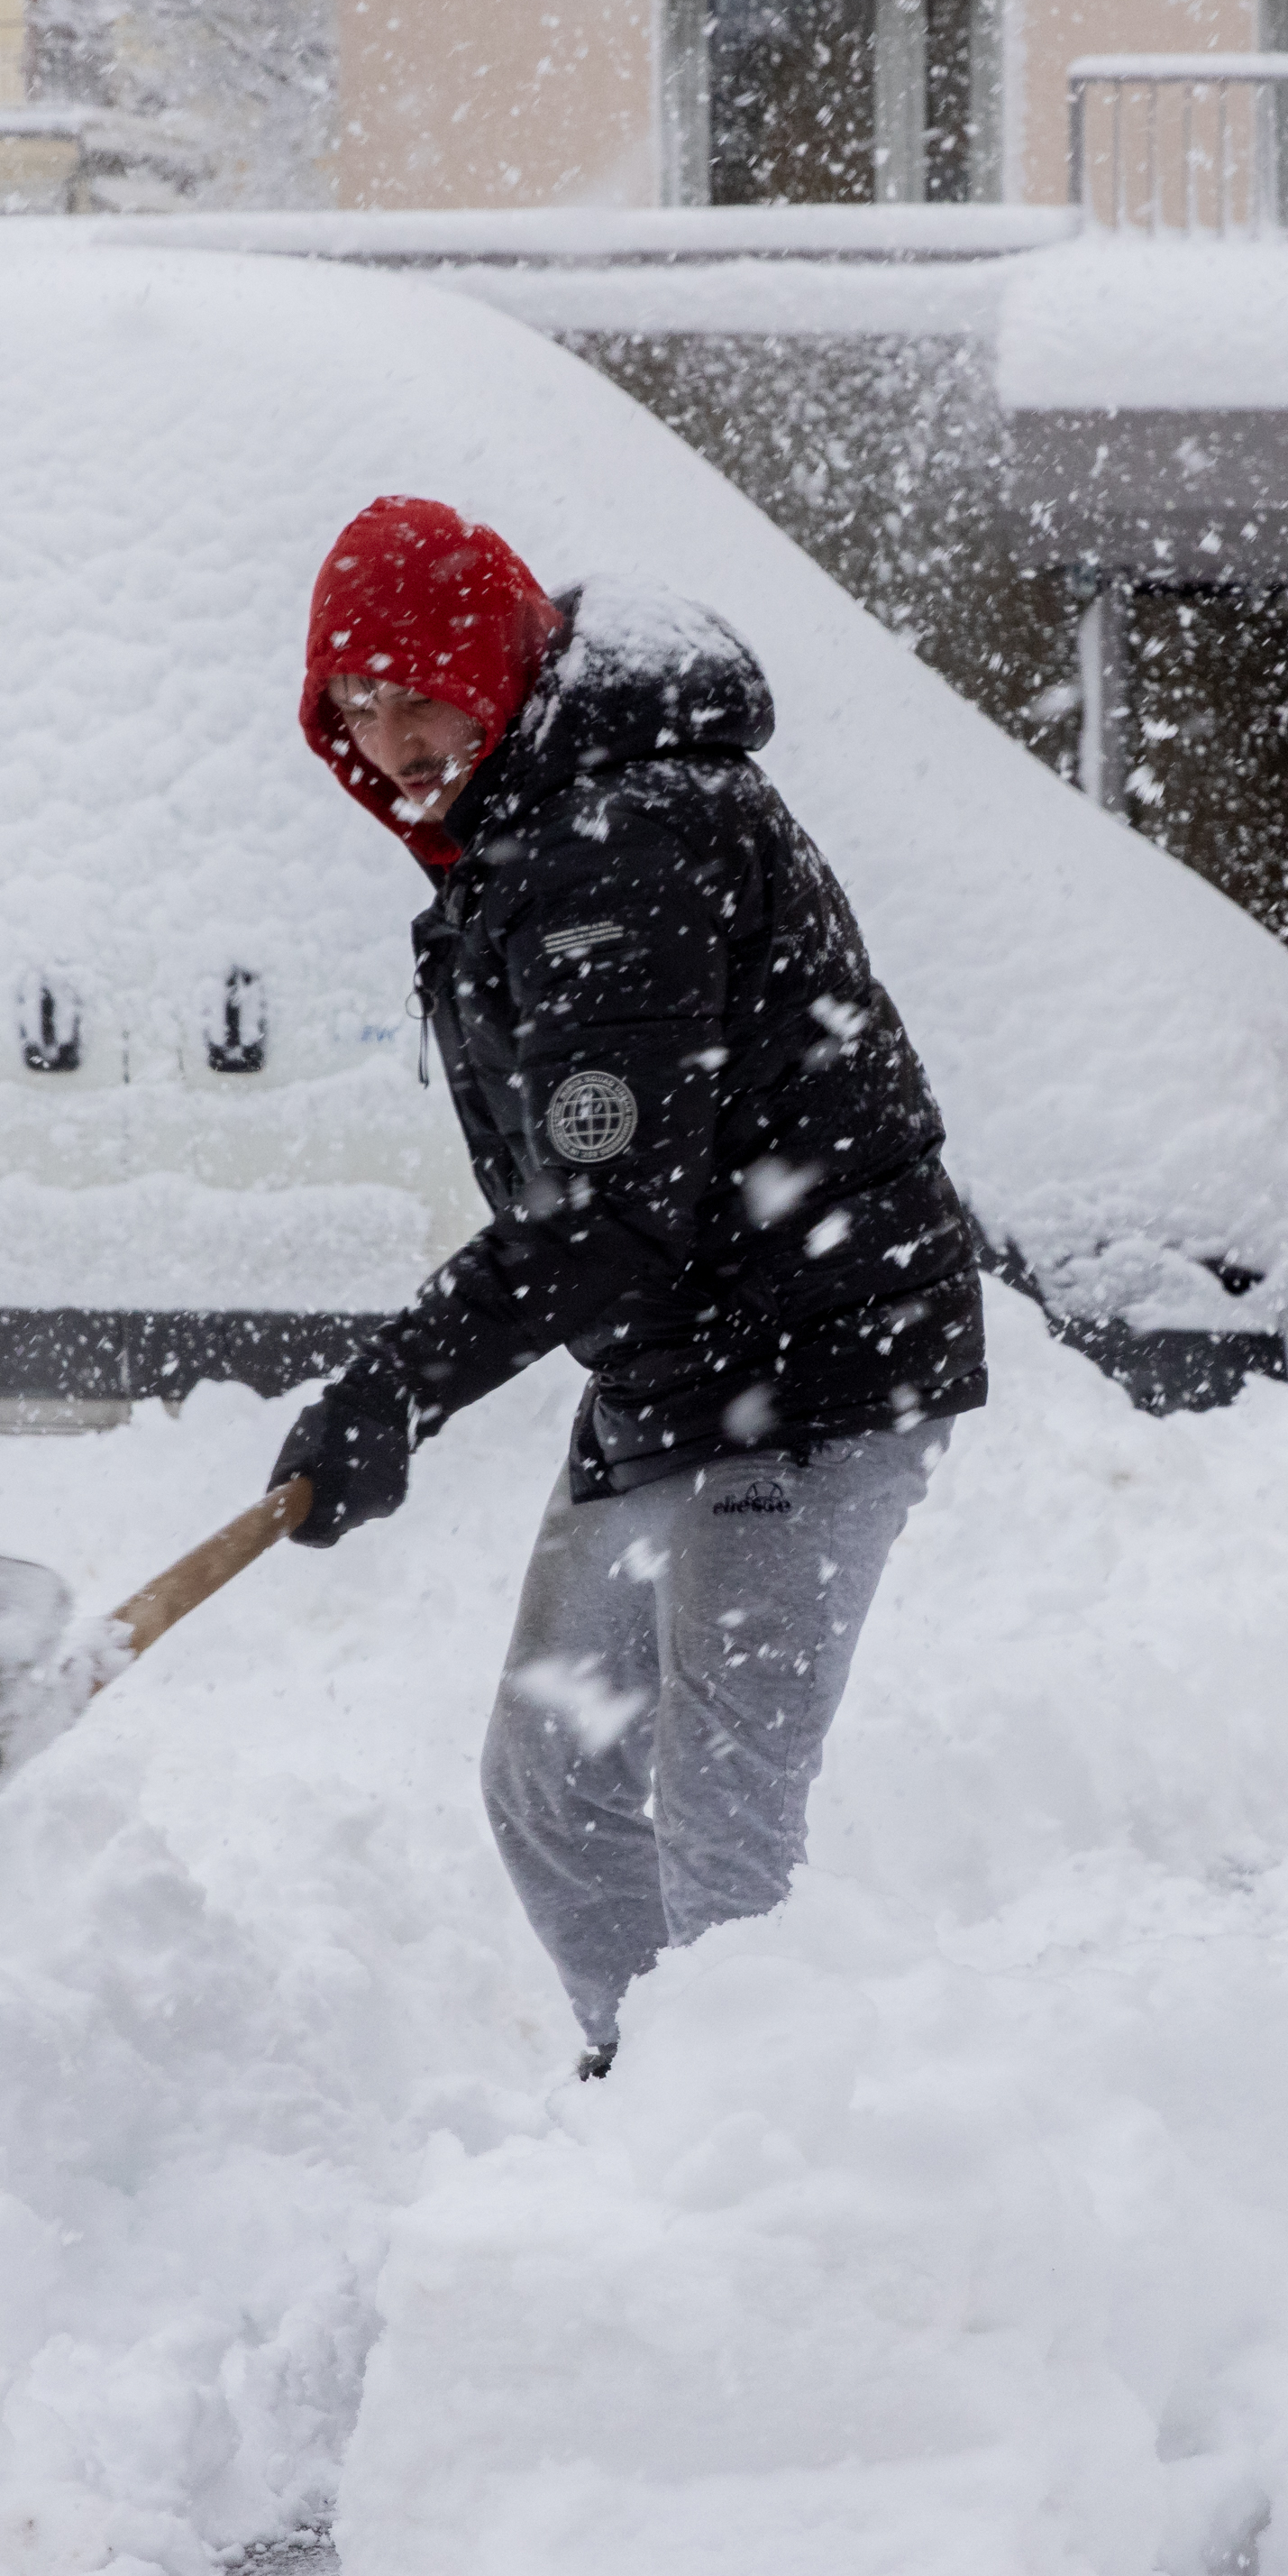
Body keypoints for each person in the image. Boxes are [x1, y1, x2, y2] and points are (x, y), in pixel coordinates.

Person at [269, 496, 987, 2075]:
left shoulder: (622, 839)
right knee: (553, 1784)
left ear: (493, 665)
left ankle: (766, 2176)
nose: (392, 737)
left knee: (724, 1831)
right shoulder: (530, 829)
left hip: (816, 1353)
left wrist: (396, 1390)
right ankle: (655, 2115)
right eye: (356, 704)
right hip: (675, 1358)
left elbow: (607, 1209)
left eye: (418, 690)